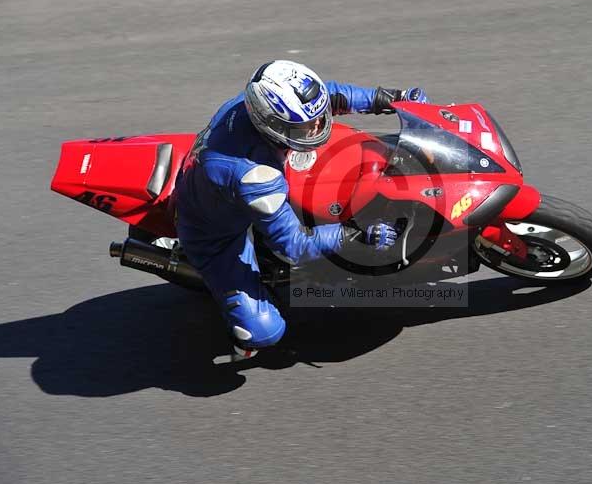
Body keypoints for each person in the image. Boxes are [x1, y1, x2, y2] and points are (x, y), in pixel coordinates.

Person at [174, 60, 428, 358]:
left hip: (228, 181)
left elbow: (331, 95)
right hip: (216, 234)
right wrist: (356, 235)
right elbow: (295, 244)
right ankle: (231, 301)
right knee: (264, 333)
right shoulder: (254, 176)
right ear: (272, 124)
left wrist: (389, 98)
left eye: (317, 119)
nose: (317, 126)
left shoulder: (256, 104)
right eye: (306, 126)